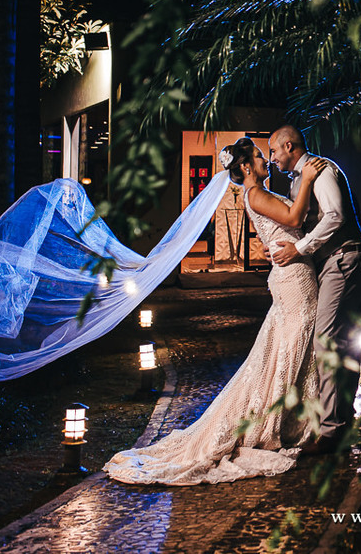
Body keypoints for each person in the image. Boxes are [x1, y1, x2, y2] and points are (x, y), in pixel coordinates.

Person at [103, 138, 325, 485]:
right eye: (258, 156)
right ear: (247, 167)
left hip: (292, 274)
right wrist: (309, 179)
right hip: (293, 280)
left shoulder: (257, 195)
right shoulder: (255, 194)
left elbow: (290, 224)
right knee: (291, 349)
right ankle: (284, 424)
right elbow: (295, 216)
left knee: (287, 350)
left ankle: (297, 420)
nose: (265, 159)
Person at [267, 125, 361, 455]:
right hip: (338, 259)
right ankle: (342, 421)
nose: (272, 158)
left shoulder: (322, 170)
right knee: (342, 340)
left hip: (344, 258)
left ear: (289, 146)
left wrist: (299, 249)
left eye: (274, 151)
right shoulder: (298, 179)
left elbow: (334, 216)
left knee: (326, 340)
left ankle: (331, 430)